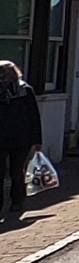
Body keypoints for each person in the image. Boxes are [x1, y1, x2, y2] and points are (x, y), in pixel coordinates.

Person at [0, 60, 44, 229]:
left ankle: (17, 202)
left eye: (5, 73)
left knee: (17, 171)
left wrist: (37, 140)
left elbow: (34, 116)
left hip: (21, 138)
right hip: (1, 138)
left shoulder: (25, 90)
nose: (2, 77)